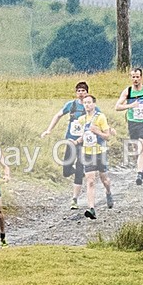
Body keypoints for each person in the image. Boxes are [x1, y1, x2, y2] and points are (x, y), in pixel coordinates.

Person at [41, 81, 94, 209]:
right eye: (79, 91)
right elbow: (58, 115)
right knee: (66, 170)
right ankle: (79, 174)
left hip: (84, 143)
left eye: (83, 91)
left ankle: (74, 199)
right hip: (70, 141)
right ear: (76, 93)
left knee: (80, 168)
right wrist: (49, 129)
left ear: (87, 92)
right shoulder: (70, 105)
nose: (81, 93)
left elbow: (98, 122)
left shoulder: (91, 106)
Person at [72, 95, 112, 219]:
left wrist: (97, 131)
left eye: (89, 102)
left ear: (94, 104)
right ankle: (91, 208)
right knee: (90, 180)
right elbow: (84, 135)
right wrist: (76, 142)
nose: (87, 105)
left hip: (100, 152)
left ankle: (108, 192)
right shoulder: (82, 119)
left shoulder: (100, 117)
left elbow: (107, 136)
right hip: (88, 153)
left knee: (104, 179)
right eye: (85, 103)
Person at [115, 68, 143, 185]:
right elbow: (117, 107)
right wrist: (131, 105)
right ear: (130, 78)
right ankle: (141, 166)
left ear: (141, 77)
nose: (135, 79)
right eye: (133, 77)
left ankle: (139, 173)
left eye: (137, 77)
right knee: (135, 149)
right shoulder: (127, 91)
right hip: (132, 121)